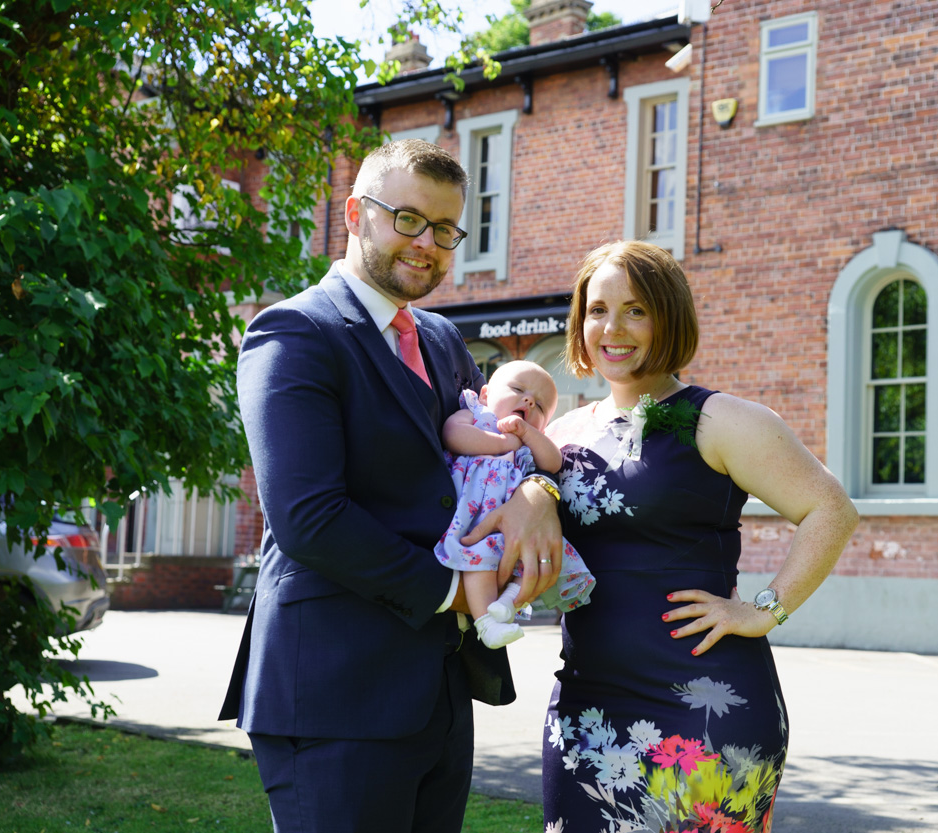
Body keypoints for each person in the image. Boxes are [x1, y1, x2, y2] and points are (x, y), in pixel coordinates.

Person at [218, 139, 564, 833]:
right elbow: (308, 517)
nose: (426, 243)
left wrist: (537, 496)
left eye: (444, 230)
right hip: (332, 691)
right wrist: (449, 590)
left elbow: (482, 462)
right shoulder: (293, 333)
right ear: (355, 213)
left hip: (439, 688)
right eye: (407, 219)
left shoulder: (441, 339)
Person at [540, 241, 859, 833]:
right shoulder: (564, 434)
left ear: (670, 317)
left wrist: (764, 610)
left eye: (636, 310)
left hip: (707, 707)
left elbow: (831, 511)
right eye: (597, 309)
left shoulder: (721, 420)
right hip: (587, 710)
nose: (613, 328)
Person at [435, 360, 595, 649]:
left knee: (533, 561)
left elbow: (553, 462)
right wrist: (501, 443)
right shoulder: (475, 413)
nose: (529, 400)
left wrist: (527, 433)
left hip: (514, 526)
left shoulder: (528, 442)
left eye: (541, 407)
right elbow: (453, 435)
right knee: (478, 560)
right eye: (518, 389)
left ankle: (509, 602)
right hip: (473, 515)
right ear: (485, 395)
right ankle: (487, 623)